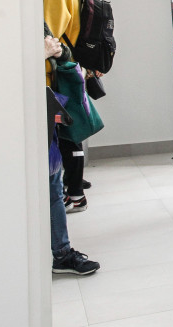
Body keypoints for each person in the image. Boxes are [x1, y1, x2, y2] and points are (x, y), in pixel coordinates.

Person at [44, 24, 100, 275]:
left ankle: (61, 253)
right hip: (14, 117)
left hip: (44, 108)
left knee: (53, 184)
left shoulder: (31, 8)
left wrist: (57, 53)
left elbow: (62, 50)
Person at [41, 0, 90, 212]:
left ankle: (73, 193)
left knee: (66, 133)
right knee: (71, 130)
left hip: (57, 70)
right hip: (70, 68)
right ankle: (74, 190)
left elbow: (50, 33)